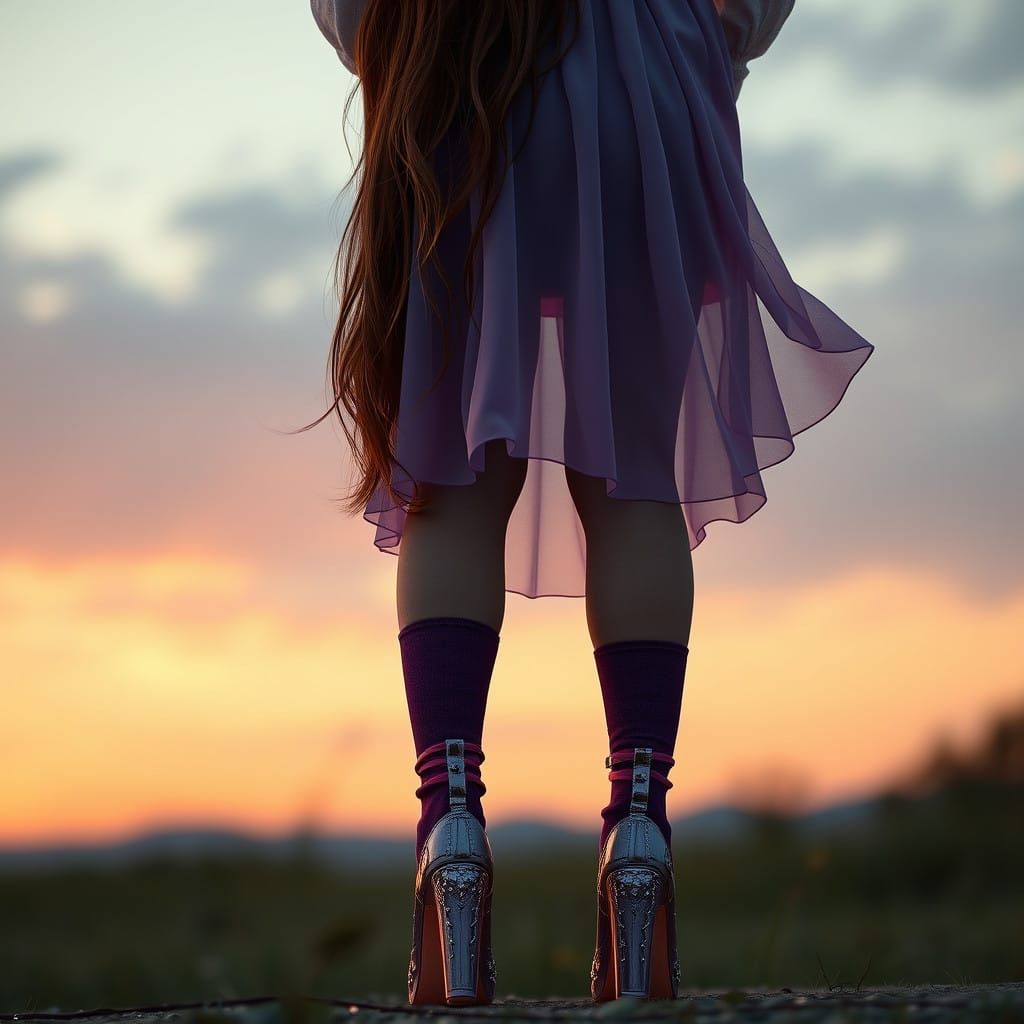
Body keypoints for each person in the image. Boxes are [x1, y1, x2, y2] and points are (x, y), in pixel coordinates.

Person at [304, 0, 873, 1006]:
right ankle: (640, 825)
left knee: (452, 483)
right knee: (636, 481)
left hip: (452, 69)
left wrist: (384, 39)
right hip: (642, 88)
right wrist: (709, 40)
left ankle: (452, 828)